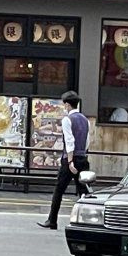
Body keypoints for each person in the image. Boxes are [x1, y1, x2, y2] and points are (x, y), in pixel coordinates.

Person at [37, 90, 90, 230]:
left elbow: (69, 141)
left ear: (67, 105)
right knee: (83, 191)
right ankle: (87, 221)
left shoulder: (68, 120)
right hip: (83, 158)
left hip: (69, 159)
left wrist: (70, 161)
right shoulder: (85, 120)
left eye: (64, 104)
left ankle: (52, 220)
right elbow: (87, 141)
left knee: (59, 190)